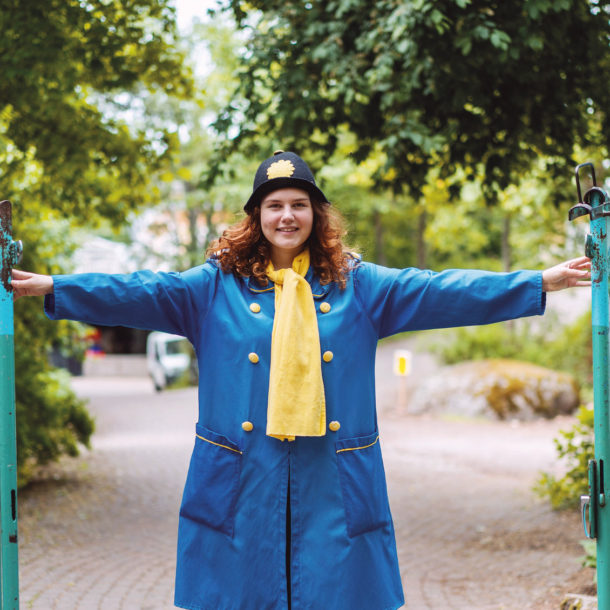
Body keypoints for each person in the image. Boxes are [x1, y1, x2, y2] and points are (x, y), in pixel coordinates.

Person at [12, 151, 590, 610]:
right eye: (273, 205)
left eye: (299, 204)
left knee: (333, 596)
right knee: (241, 597)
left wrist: (537, 281)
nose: (286, 216)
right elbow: (138, 290)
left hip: (332, 478)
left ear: (316, 215)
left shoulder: (360, 286)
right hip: (242, 475)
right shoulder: (212, 287)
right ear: (256, 218)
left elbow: (441, 290)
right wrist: (53, 286)